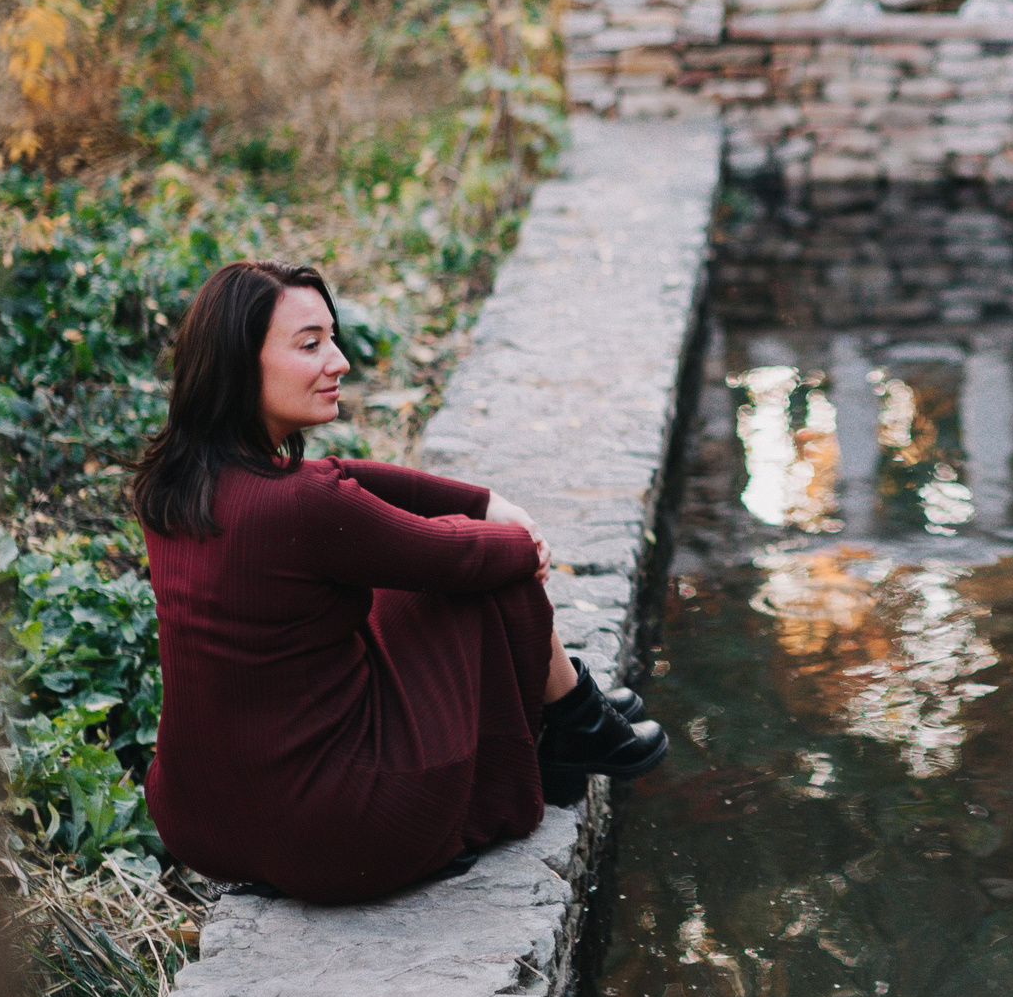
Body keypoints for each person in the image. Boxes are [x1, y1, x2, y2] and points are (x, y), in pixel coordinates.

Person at [132, 259, 666, 904]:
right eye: (310, 345)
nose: (339, 361)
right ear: (240, 363)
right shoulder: (303, 507)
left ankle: (568, 717)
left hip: (199, 824)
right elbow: (498, 557)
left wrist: (481, 497)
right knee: (478, 576)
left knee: (410, 570)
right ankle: (575, 717)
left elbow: (342, 472)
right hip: (342, 833)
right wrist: (511, 532)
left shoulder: (169, 481)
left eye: (332, 338)